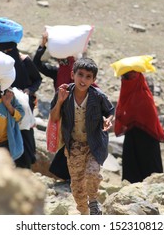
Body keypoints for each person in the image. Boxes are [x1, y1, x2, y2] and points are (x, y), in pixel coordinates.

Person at [49, 57, 115, 215]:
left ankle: (93, 202)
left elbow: (110, 111)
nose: (83, 80)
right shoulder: (64, 93)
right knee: (77, 186)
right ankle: (84, 214)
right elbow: (54, 117)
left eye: (88, 76)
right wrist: (60, 102)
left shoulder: (98, 96)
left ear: (93, 80)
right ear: (73, 74)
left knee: (92, 172)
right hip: (74, 146)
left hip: (94, 143)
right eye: (81, 74)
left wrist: (108, 120)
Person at [0, 17, 42, 169]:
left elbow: (37, 80)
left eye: (10, 50)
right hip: (2, 104)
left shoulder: (24, 61)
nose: (7, 53)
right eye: (3, 50)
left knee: (25, 133)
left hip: (24, 104)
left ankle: (24, 165)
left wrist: (29, 91)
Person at [33, 32, 75, 181]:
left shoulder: (80, 75)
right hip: (60, 113)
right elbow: (37, 64)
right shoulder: (56, 72)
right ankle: (66, 177)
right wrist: (42, 46)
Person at [114, 70, 164, 183]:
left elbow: (149, 117)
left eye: (132, 76)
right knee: (131, 173)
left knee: (151, 174)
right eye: (126, 77)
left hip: (147, 137)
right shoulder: (127, 93)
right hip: (132, 136)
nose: (128, 80)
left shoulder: (144, 95)